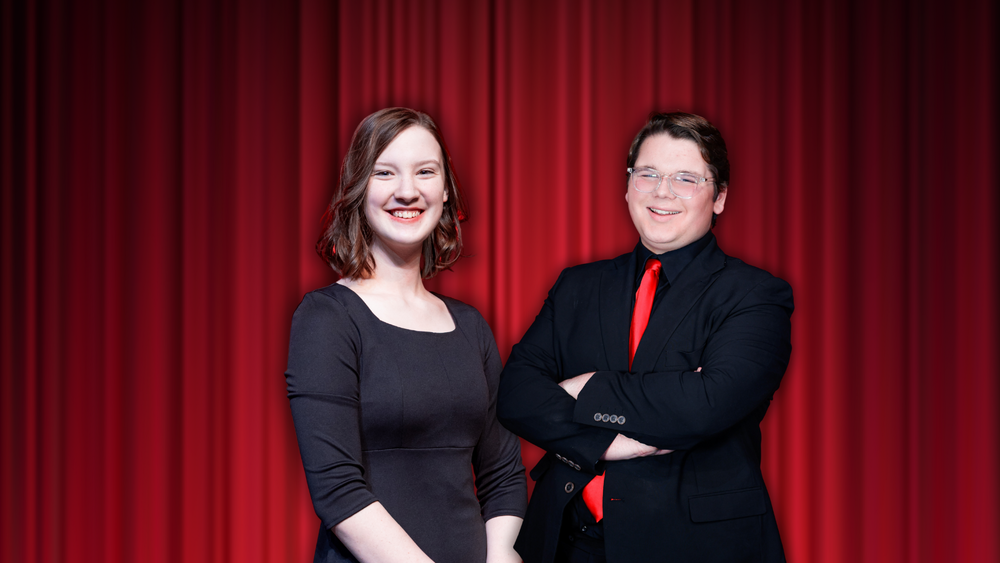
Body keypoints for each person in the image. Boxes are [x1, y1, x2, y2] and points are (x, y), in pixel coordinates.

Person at [497, 112, 793, 563]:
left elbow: (706, 403)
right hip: (565, 542)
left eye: (686, 179)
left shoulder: (756, 295)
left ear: (720, 198)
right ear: (628, 184)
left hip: (693, 547)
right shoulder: (579, 285)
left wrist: (587, 386)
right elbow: (516, 395)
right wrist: (606, 443)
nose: (662, 192)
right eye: (648, 174)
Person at [286, 107, 526, 563]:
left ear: (445, 191)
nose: (407, 191)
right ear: (359, 188)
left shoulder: (471, 326)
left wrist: (499, 557)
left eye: (425, 172)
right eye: (385, 172)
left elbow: (503, 474)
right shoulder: (326, 319)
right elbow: (338, 489)